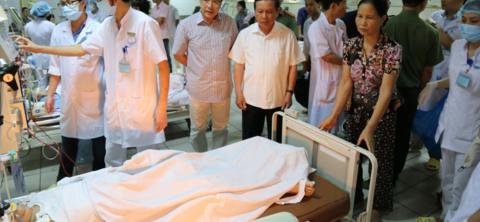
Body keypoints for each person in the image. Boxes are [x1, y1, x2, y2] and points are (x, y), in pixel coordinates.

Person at [15, 0, 170, 167]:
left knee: (150, 162)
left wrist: (162, 107)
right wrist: (38, 48)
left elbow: (163, 66)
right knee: (113, 161)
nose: (95, 4)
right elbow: (81, 49)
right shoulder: (107, 25)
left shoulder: (145, 23)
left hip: (143, 106)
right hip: (115, 107)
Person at [11, 137, 314, 222]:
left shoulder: (36, 201)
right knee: (201, 184)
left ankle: (271, 169)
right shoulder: (51, 210)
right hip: (110, 196)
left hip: (116, 184)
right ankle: (276, 177)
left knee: (190, 167)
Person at [320, 0, 402, 217]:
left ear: (383, 18)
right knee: (352, 159)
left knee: (380, 164)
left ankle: (375, 209)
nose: (363, 23)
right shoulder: (351, 45)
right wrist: (334, 115)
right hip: (355, 112)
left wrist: (371, 126)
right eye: (359, 16)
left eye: (370, 18)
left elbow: (386, 92)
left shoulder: (391, 50)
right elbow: (346, 82)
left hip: (382, 116)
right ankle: (353, 199)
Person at [419, 0, 480, 221]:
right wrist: (435, 84)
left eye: (474, 21)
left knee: (463, 188)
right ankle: (446, 215)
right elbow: (456, 78)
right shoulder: (457, 46)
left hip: (473, 133)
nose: (467, 26)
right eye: (464, 20)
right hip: (451, 126)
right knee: (446, 181)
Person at [383, 0, 443, 184]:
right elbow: (427, 70)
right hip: (409, 91)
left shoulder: (387, 25)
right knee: (401, 137)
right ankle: (393, 176)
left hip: (383, 90)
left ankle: (377, 176)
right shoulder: (430, 32)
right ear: (424, 2)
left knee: (382, 134)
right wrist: (419, 91)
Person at [46, 0, 105, 181]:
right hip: (69, 95)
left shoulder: (98, 29)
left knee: (99, 145)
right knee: (68, 143)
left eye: (70, 2)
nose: (66, 7)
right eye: (63, 3)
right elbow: (55, 66)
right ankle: (62, 181)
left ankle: (100, 181)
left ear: (83, 3)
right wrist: (50, 94)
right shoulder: (58, 30)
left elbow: (108, 64)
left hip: (95, 95)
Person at [229, 0, 305, 142]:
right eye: (260, 11)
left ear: (277, 12)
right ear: (255, 12)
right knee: (250, 141)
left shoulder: (287, 35)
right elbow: (239, 66)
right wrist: (239, 92)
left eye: (269, 12)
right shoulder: (245, 35)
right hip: (251, 99)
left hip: (278, 99)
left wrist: (289, 92)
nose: (264, 16)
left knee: (276, 141)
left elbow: (292, 67)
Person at [173, 0, 238, 152]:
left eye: (215, 1)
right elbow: (178, 53)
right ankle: (200, 160)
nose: (210, 6)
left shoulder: (229, 23)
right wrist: (195, 65)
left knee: (221, 127)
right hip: (198, 87)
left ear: (221, 3)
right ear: (200, 1)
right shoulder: (187, 25)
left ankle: (219, 158)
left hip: (222, 87)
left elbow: (234, 50)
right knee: (198, 129)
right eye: (206, 0)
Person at [421, 0, 471, 171]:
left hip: (450, 68)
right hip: (433, 66)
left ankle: (435, 154)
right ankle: (421, 140)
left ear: (461, 0)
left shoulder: (464, 21)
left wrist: (435, 30)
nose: (443, 0)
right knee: (424, 109)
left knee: (440, 114)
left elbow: (451, 43)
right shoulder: (436, 16)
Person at [307, 0, 347, 129]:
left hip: (341, 79)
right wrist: (349, 62)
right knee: (321, 126)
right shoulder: (316, 27)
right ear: (334, 6)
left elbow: (346, 48)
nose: (346, 7)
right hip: (324, 84)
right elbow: (327, 56)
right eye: (344, 3)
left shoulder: (341, 24)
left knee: (337, 123)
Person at [151, 0, 172, 72]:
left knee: (165, 56)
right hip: (155, 35)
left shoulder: (164, 7)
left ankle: (170, 73)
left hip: (163, 36)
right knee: (158, 56)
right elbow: (154, 21)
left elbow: (160, 21)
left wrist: (153, 21)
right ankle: (162, 72)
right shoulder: (154, 8)